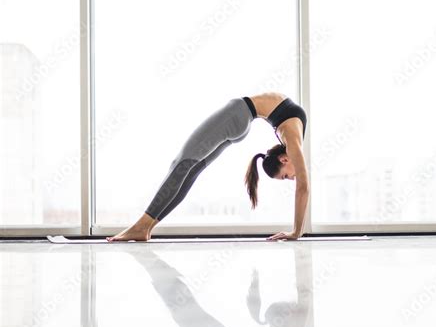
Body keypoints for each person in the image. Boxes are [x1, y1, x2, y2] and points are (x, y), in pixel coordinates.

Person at [106, 91, 309, 242]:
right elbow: (303, 188)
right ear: (284, 160)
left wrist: (296, 231)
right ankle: (145, 227)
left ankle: (143, 227)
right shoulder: (293, 145)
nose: (292, 178)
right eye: (286, 177)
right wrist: (296, 231)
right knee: (185, 165)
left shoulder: (291, 139)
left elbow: (302, 186)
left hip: (241, 116)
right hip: (240, 115)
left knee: (187, 167)